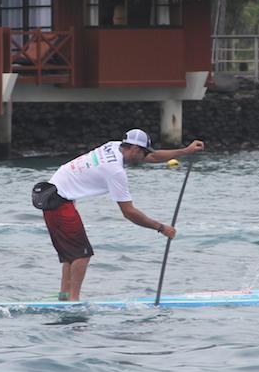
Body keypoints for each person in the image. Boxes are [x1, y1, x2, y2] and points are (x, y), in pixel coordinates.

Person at [32, 129, 204, 301]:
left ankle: (65, 296)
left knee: (72, 253)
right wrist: (160, 227)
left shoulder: (114, 145)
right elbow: (128, 213)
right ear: (135, 148)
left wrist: (185, 151)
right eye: (143, 152)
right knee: (81, 254)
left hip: (54, 196)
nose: (145, 157)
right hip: (59, 203)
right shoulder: (115, 171)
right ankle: (73, 301)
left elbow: (152, 157)